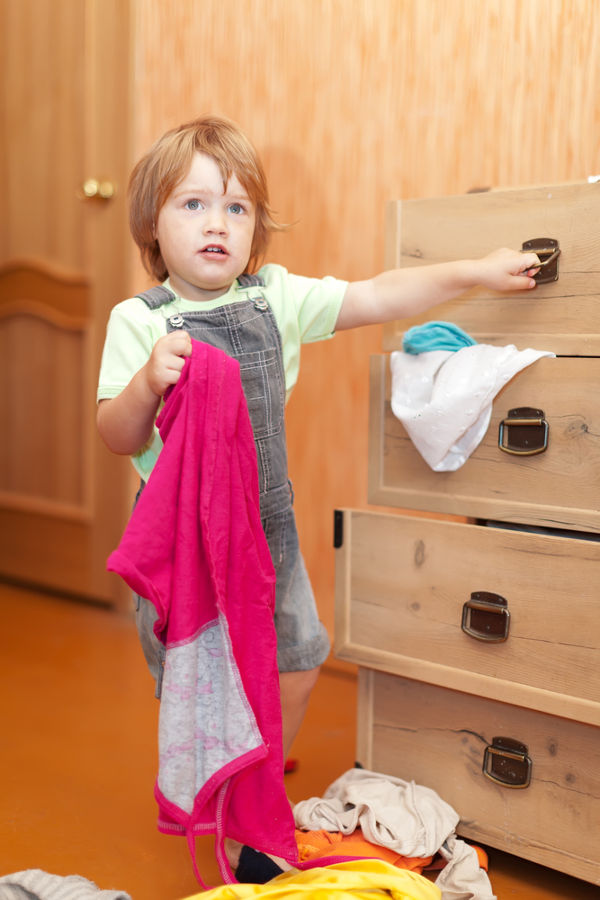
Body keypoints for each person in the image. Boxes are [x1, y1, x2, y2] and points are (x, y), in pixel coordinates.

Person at [96, 115, 540, 875]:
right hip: (186, 545)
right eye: (194, 204)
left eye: (237, 209)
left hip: (266, 526)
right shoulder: (140, 321)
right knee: (202, 686)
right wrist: (147, 383)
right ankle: (214, 780)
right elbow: (113, 431)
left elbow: (380, 293)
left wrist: (476, 270)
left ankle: (255, 782)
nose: (218, 224)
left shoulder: (275, 299)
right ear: (152, 223)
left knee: (300, 662)